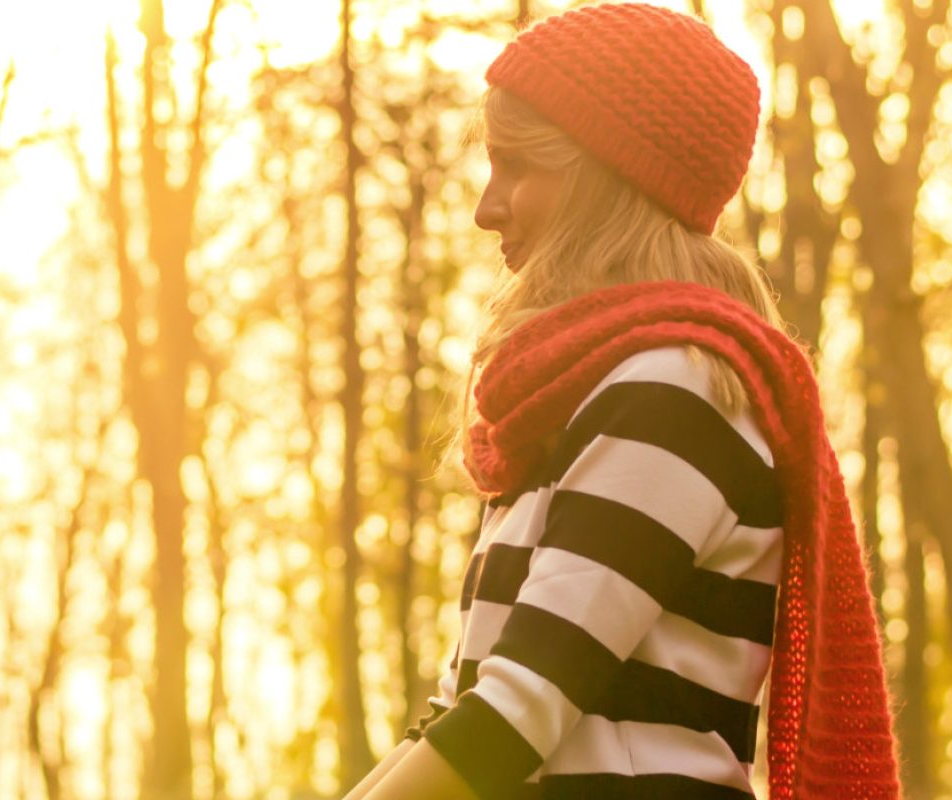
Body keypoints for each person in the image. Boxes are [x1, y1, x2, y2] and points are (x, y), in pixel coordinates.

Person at [346, 5, 899, 798]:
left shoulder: (671, 392)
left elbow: (515, 716)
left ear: (608, 175)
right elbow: (464, 708)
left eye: (517, 166)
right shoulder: (591, 399)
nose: (485, 206)